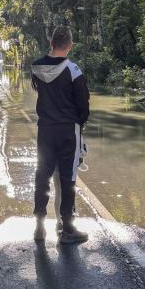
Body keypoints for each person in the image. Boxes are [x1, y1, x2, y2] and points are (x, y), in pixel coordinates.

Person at [30, 26, 90, 244]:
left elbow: (40, 91)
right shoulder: (74, 71)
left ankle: (39, 226)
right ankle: (67, 229)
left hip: (45, 129)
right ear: (70, 46)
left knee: (42, 175)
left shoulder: (36, 67)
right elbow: (83, 107)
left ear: (51, 43)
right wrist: (79, 123)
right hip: (67, 131)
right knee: (67, 179)